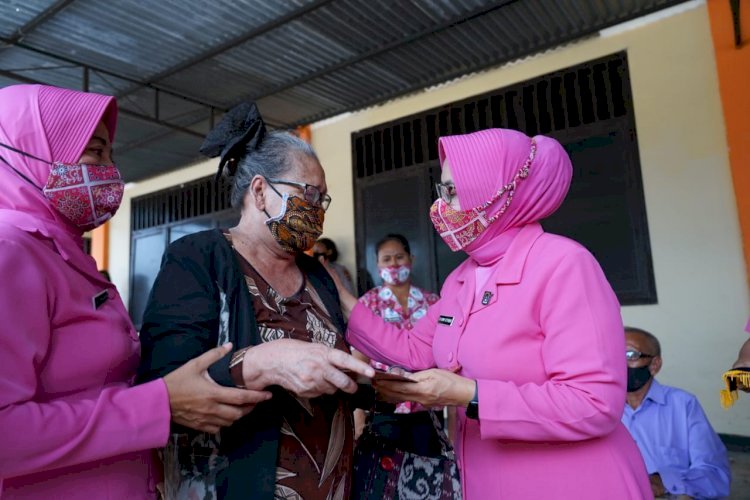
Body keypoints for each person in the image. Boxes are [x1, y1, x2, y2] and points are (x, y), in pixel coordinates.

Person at [332, 128, 652, 498]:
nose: (441, 206)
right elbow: (415, 349)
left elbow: (593, 402)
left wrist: (468, 393)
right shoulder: (461, 279)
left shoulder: (564, 264)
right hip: (489, 476)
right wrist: (337, 296)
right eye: (442, 191)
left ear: (497, 192)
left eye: (452, 191)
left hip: (573, 482)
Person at [0, 84, 270, 499]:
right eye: (95, 152)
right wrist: (158, 406)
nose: (111, 171)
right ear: (27, 150)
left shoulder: (64, 251)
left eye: (110, 155)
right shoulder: (11, 252)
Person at [137, 102, 374, 500]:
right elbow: (163, 385)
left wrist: (378, 386)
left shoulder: (318, 275)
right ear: (261, 191)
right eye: (310, 194)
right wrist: (263, 363)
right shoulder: (199, 258)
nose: (317, 210)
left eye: (324, 200)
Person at [353, 233, 441, 449]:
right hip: (384, 410)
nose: (393, 263)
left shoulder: (433, 302)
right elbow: (359, 363)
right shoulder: (367, 304)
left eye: (399, 257)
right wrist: (357, 413)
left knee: (428, 475)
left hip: (427, 407)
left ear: (411, 259)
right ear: (377, 264)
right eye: (387, 258)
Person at [622, 327, 731, 498]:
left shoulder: (683, 405)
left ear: (654, 365)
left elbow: (715, 473)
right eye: (614, 354)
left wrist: (664, 481)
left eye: (630, 355)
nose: (620, 363)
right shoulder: (600, 409)